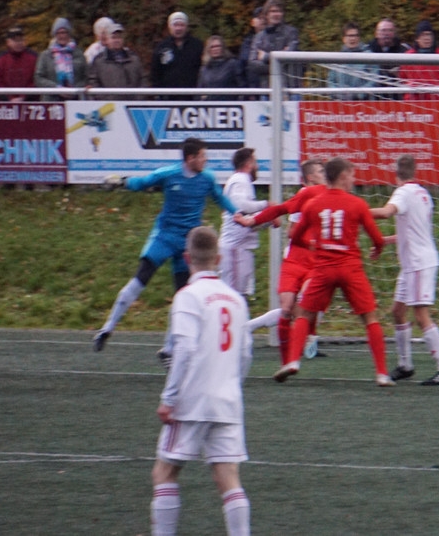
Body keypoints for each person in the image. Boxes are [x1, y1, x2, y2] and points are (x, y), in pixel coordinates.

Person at [93, 137, 238, 359]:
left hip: (187, 244)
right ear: (191, 158)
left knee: (182, 294)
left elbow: (221, 200)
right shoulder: (169, 174)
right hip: (164, 236)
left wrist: (241, 215)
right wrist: (122, 181)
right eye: (203, 156)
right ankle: (107, 328)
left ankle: (168, 349)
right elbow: (144, 182)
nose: (206, 160)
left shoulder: (207, 179)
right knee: (142, 276)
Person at [150, 225, 252, 536]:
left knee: (165, 472)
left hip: (191, 402)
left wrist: (169, 398)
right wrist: (232, 387)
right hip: (227, 401)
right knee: (228, 477)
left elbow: (183, 348)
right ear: (219, 258)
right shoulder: (237, 300)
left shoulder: (188, 296)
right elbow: (245, 356)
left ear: (186, 258)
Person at [273, 157, 393, 387]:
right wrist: (378, 248)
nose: (354, 180)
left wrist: (312, 244)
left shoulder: (313, 204)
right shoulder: (356, 204)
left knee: (304, 315)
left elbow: (295, 235)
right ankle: (381, 373)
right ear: (343, 176)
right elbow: (376, 238)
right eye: (352, 175)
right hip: (350, 268)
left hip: (323, 268)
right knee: (370, 318)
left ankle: (293, 362)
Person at [370, 155, 439, 385]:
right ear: (414, 172)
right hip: (413, 263)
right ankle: (405, 365)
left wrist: (356, 211)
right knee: (398, 311)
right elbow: (414, 231)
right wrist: (385, 241)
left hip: (419, 263)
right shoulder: (422, 193)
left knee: (420, 314)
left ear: (395, 173)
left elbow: (387, 212)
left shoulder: (404, 192)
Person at [233, 159, 327, 364]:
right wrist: (253, 222)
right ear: (311, 177)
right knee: (295, 308)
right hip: (299, 256)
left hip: (316, 259)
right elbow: (292, 230)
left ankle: (305, 338)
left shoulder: (328, 195)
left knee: (305, 308)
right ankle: (295, 346)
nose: (324, 173)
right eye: (321, 170)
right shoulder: (306, 195)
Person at [218, 148, 268, 298]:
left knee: (240, 299)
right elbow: (241, 205)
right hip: (235, 249)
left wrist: (269, 218)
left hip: (240, 249)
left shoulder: (241, 180)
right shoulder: (240, 179)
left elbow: (250, 218)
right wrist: (266, 205)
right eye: (256, 162)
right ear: (249, 163)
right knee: (233, 299)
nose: (258, 167)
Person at [245, 0, 301, 91]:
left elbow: (290, 56)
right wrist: (277, 65)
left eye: (279, 11)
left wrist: (265, 57)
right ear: (266, 14)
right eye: (273, 11)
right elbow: (252, 64)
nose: (276, 14)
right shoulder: (259, 37)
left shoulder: (291, 32)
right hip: (267, 89)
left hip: (289, 89)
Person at [151, 11, 203, 100]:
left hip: (192, 96)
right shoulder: (162, 46)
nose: (178, 28)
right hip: (168, 96)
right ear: (169, 27)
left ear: (186, 27)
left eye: (181, 25)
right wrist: (158, 93)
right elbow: (155, 72)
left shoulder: (197, 45)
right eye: (175, 25)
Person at [87, 22, 146, 99]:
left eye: (119, 37)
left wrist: (138, 98)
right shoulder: (99, 61)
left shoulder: (134, 59)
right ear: (107, 40)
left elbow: (143, 79)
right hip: (108, 107)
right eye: (114, 37)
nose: (117, 40)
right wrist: (104, 99)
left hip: (132, 106)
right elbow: (93, 82)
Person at [400, 20, 439, 100]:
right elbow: (402, 78)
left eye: (429, 34)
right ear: (417, 39)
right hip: (414, 101)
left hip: (438, 101)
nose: (426, 38)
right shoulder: (408, 57)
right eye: (423, 35)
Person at [326, 21, 380, 100]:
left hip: (365, 104)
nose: (353, 38)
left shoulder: (369, 56)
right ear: (343, 38)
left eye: (355, 35)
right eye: (350, 35)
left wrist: (358, 94)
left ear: (359, 37)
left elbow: (374, 80)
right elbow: (331, 81)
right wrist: (338, 94)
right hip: (341, 104)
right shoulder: (337, 58)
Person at [35, 17, 87, 97]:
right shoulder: (45, 55)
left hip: (75, 99)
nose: (62, 36)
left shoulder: (78, 54)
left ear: (69, 34)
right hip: (52, 100)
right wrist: (56, 88)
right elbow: (39, 78)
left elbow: (86, 76)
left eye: (64, 32)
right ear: (54, 35)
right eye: (58, 33)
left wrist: (74, 89)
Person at [366, 17, 411, 99]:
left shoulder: (405, 50)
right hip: (373, 98)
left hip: (399, 97)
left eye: (389, 30)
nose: (386, 33)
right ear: (376, 33)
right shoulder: (367, 51)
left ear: (394, 33)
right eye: (383, 30)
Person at [0, 26, 38, 101]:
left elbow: (36, 79)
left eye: (21, 40)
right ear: (8, 42)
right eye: (15, 40)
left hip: (30, 101)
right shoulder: (1, 59)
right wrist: (10, 98)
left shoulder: (33, 57)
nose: (18, 43)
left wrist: (24, 97)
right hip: (6, 103)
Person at [197, 36, 244, 101]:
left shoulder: (233, 64)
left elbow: (242, 85)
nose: (215, 49)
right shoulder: (204, 69)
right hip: (209, 106)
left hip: (229, 105)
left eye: (218, 46)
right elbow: (199, 91)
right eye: (212, 47)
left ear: (223, 48)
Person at [237, 6, 263, 95]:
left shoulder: (277, 39)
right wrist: (246, 90)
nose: (262, 20)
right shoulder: (247, 42)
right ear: (253, 22)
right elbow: (241, 67)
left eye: (264, 17)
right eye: (259, 18)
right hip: (253, 91)